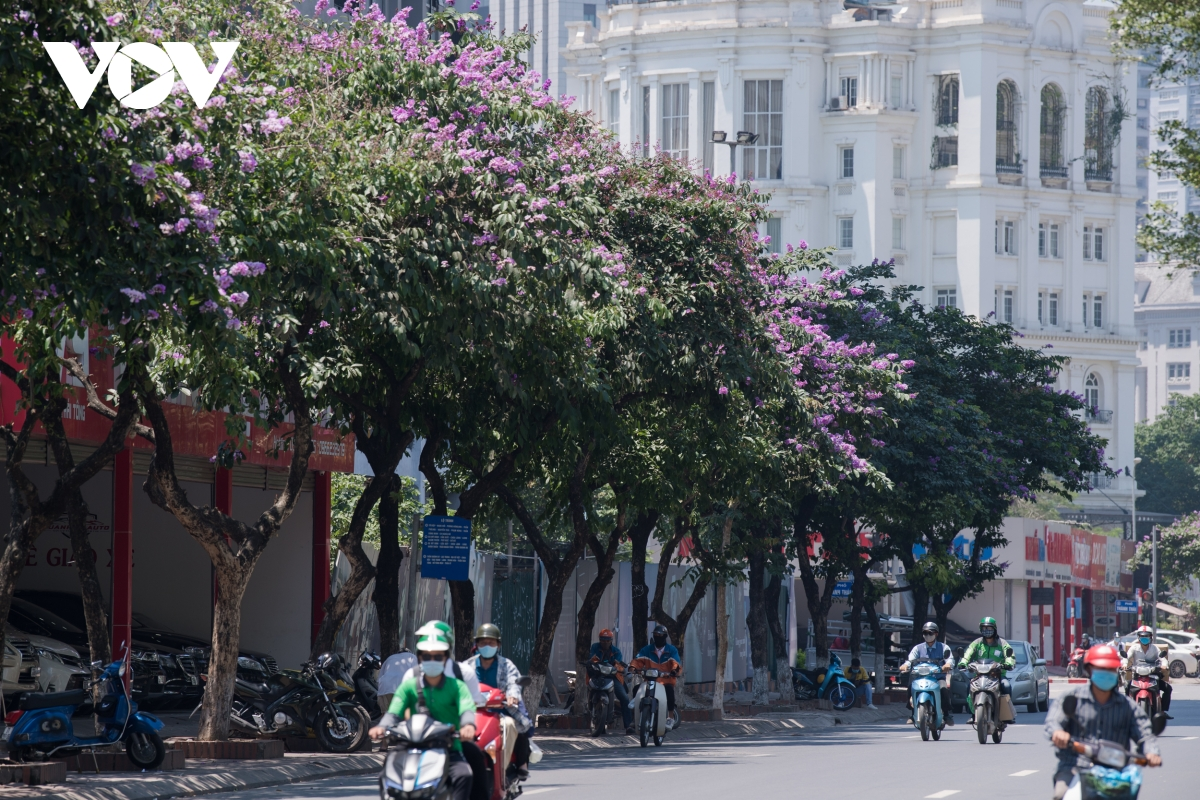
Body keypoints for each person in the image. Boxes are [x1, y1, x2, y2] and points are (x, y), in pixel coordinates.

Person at [369, 628, 475, 800]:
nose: (432, 660)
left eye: (438, 656)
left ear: (445, 658)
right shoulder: (409, 686)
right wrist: (382, 726)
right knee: (385, 775)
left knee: (464, 774)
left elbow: (467, 709)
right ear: (419, 658)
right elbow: (393, 712)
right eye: (427, 656)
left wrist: (468, 725)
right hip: (411, 746)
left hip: (448, 747)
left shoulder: (457, 686)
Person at [1045, 644, 1162, 800]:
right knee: (1061, 795)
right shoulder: (1072, 698)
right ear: (1089, 670)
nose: (1106, 673)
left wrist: (1151, 752)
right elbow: (1053, 722)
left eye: (1110, 669)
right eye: (1101, 669)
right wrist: (1058, 733)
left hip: (1115, 772)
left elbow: (1145, 734)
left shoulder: (1127, 706)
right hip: (1075, 767)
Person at [401, 621, 489, 800]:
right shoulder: (412, 675)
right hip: (420, 740)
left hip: (453, 740)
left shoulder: (463, 673)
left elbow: (470, 706)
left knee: (474, 761)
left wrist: (466, 726)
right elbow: (404, 709)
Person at [469, 623, 532, 780]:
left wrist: (512, 696)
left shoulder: (506, 665)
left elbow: (513, 683)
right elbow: (457, 685)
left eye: (491, 643)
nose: (487, 646)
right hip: (473, 713)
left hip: (501, 711)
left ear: (498, 645)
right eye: (483, 643)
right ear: (476, 645)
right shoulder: (467, 666)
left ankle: (513, 765)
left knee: (516, 724)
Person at [899, 621, 955, 725]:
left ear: (936, 634)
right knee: (911, 686)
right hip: (920, 677)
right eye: (925, 633)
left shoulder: (944, 647)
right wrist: (906, 665)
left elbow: (950, 660)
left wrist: (947, 665)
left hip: (937, 678)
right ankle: (913, 713)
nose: (927, 635)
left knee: (943, 689)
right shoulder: (917, 648)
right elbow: (910, 660)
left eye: (930, 633)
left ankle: (946, 714)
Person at [957, 616, 1016, 707]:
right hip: (979, 675)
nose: (986, 630)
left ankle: (1006, 712)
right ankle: (973, 714)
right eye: (984, 628)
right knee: (969, 687)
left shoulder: (1002, 643)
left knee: (1006, 686)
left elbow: (1009, 655)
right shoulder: (977, 643)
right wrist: (963, 663)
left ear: (994, 629)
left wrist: (1008, 663)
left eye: (989, 628)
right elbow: (968, 653)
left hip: (997, 675)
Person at [634, 624, 682, 727]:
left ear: (665, 637)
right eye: (655, 635)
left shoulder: (671, 650)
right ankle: (637, 717)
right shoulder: (647, 649)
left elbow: (676, 662)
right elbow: (637, 660)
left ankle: (670, 717)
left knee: (669, 691)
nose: (658, 637)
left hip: (665, 681)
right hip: (650, 681)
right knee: (636, 690)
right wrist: (633, 667)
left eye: (660, 635)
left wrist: (674, 670)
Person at [589, 629, 634, 734]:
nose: (605, 642)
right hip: (597, 675)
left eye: (607, 640)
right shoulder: (595, 647)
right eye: (603, 640)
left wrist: (618, 666)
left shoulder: (616, 651)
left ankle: (628, 726)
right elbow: (591, 659)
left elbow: (618, 664)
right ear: (600, 640)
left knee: (624, 698)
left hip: (613, 676)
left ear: (611, 641)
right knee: (590, 691)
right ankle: (594, 716)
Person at [1123, 625, 1172, 717]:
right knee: (1127, 687)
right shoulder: (1134, 648)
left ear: (1151, 637)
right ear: (1138, 637)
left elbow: (1162, 658)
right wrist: (1125, 664)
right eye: (1142, 636)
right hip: (1137, 676)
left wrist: (1164, 665)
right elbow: (1126, 657)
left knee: (1168, 688)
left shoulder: (1154, 648)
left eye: (1147, 636)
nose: (1144, 638)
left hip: (1152, 675)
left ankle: (1162, 710)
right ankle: (1126, 709)